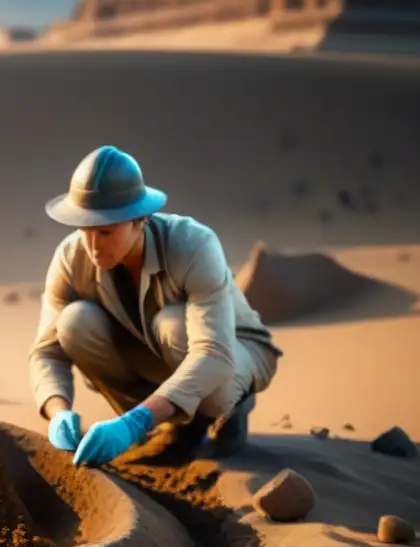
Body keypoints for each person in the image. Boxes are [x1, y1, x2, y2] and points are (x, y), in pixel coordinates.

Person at [29, 146, 283, 467]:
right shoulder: (71, 256)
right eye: (84, 229)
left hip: (233, 351)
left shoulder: (194, 245)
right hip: (151, 350)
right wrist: (58, 413)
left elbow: (213, 355)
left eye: (105, 231)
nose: (92, 246)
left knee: (175, 328)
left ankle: (219, 413)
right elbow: (46, 352)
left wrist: (133, 424)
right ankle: (160, 419)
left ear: (140, 220)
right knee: (73, 322)